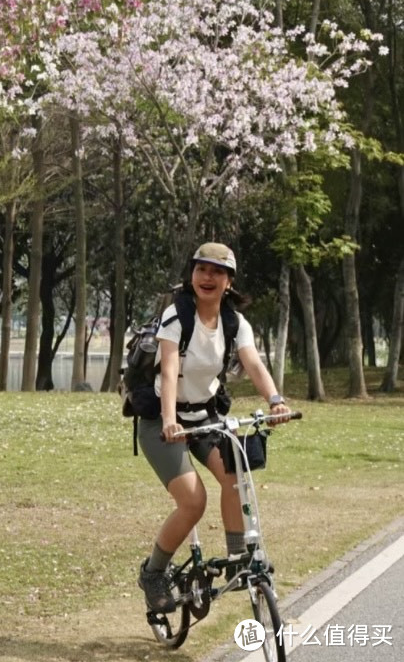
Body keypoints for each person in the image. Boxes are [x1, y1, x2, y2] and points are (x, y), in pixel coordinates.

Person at [137, 242, 292, 614]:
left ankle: (238, 558)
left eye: (217, 272)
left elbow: (253, 364)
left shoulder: (233, 323)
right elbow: (170, 370)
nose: (208, 277)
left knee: (237, 473)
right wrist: (171, 419)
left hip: (205, 417)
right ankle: (154, 572)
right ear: (192, 275)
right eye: (202, 269)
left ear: (229, 281)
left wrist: (275, 400)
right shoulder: (177, 316)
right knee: (193, 501)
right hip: (163, 421)